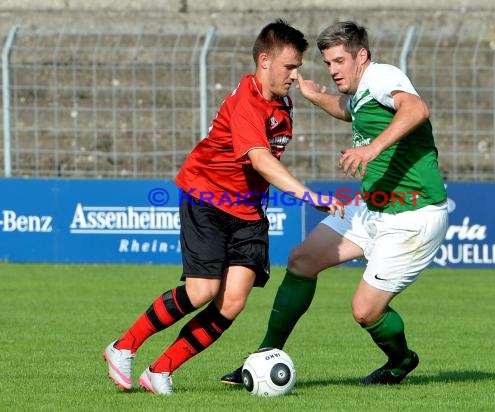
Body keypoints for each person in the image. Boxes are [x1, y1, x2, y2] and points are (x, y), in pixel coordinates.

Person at [103, 19, 344, 395]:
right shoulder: (247, 102)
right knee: (201, 291)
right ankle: (123, 347)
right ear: (264, 61)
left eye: (298, 67)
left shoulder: (282, 103)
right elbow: (262, 160)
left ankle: (160, 371)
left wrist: (316, 97)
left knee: (231, 302)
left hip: (247, 212)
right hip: (208, 198)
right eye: (290, 67)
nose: (295, 75)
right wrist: (308, 195)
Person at [220, 20, 448, 386]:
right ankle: (261, 357)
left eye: (340, 61)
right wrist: (314, 96)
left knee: (364, 311)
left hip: (412, 216)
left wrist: (371, 148)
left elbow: (416, 109)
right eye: (328, 63)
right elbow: (349, 109)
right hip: (373, 208)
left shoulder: (383, 75)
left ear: (362, 56)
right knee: (301, 260)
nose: (333, 70)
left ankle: (401, 360)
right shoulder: (364, 91)